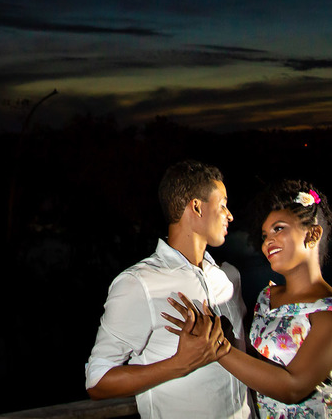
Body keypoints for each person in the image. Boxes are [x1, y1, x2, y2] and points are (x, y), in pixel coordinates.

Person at [167, 179, 332, 419]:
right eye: (265, 234)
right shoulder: (267, 298)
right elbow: (255, 362)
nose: (267, 241)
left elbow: (293, 388)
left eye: (279, 229)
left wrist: (215, 347)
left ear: (313, 233)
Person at [85, 159, 251, 419]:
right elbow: (97, 381)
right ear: (196, 207)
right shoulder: (138, 283)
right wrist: (179, 365)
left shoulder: (229, 277)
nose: (230, 215)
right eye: (223, 205)